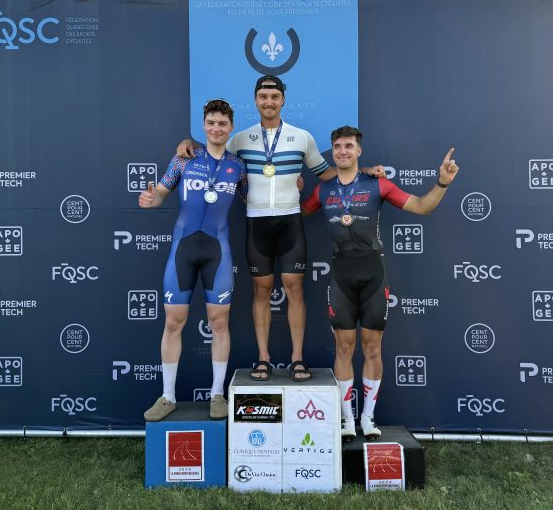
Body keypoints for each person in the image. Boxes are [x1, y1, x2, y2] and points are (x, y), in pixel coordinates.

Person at [177, 76, 384, 382]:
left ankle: (296, 359)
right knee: (261, 292)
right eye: (263, 96)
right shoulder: (241, 138)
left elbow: (325, 172)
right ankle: (263, 359)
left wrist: (361, 171)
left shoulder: (301, 137)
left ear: (283, 100)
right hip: (256, 222)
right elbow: (214, 148)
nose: (269, 101)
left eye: (274, 96)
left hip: (290, 221)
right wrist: (188, 143)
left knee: (295, 290)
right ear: (256, 100)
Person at [301, 126, 458, 440]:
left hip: (373, 274)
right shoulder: (323, 190)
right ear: (332, 152)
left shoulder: (378, 184)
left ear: (359, 151)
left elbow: (422, 207)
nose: (342, 151)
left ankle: (368, 419)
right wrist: (290, 189)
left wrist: (442, 182)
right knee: (343, 348)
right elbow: (295, 215)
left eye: (348, 146)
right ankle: (347, 421)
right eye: (337, 147)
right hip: (341, 275)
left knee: (372, 348)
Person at [140, 99, 247, 421]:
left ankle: (218, 394)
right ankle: (167, 396)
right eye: (211, 123)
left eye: (222, 124)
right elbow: (160, 192)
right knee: (173, 323)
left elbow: (255, 197)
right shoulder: (184, 158)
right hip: (183, 252)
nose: (216, 129)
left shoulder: (238, 166)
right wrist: (151, 199)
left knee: (219, 323)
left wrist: (290, 187)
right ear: (204, 126)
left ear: (231, 128)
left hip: (219, 251)